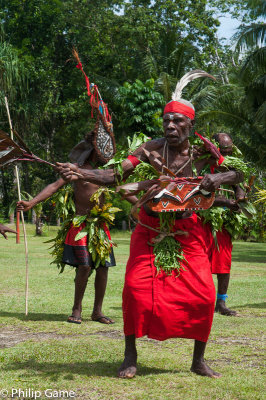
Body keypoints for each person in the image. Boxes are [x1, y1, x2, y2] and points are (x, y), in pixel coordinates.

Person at [57, 70, 244, 378]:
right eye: (166, 120)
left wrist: (218, 178)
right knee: (134, 290)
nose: (170, 126)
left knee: (203, 295)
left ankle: (198, 360)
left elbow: (237, 172)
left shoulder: (204, 151)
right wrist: (81, 173)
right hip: (150, 229)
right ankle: (130, 357)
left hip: (188, 231)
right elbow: (116, 175)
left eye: (178, 121)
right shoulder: (148, 150)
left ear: (191, 124)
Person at [17, 131, 118, 325]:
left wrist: (140, 204)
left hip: (100, 225)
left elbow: (124, 186)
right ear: (92, 150)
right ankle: (76, 309)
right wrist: (32, 202)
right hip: (80, 224)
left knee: (103, 269)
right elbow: (55, 186)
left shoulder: (108, 172)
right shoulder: (78, 169)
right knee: (85, 266)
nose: (103, 155)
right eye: (99, 150)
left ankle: (97, 311)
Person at [207, 133, 246, 316]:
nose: (227, 155)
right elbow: (197, 195)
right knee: (200, 262)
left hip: (224, 221)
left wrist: (239, 196)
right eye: (223, 151)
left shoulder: (230, 164)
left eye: (230, 151)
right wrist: (223, 202)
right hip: (202, 219)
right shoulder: (200, 163)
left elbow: (238, 185)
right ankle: (200, 301)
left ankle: (221, 302)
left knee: (224, 263)